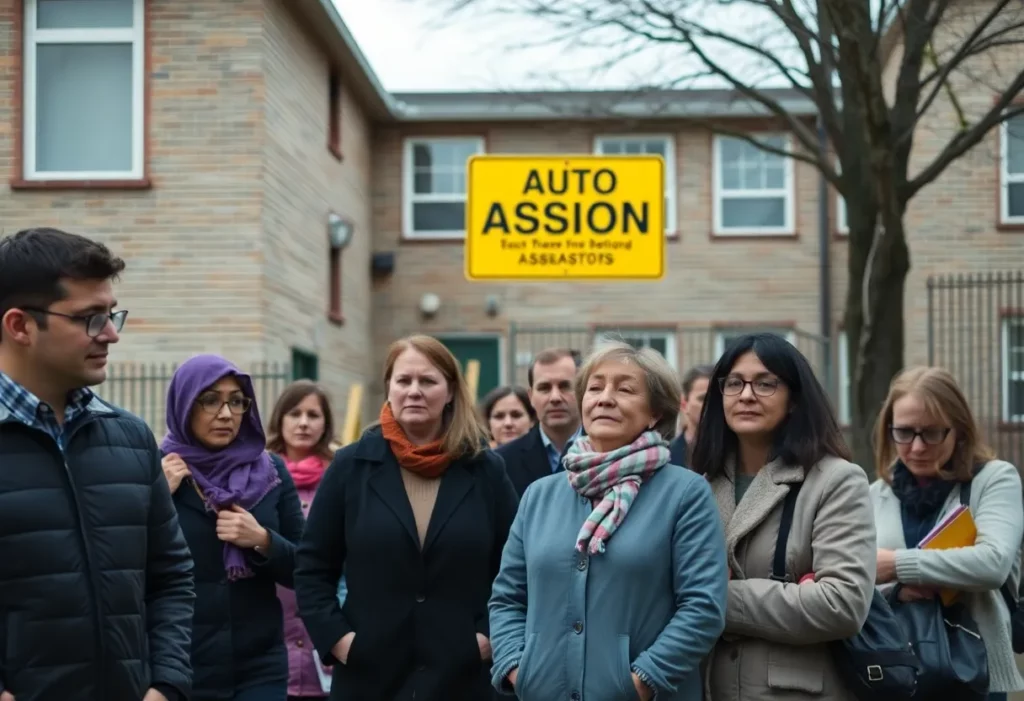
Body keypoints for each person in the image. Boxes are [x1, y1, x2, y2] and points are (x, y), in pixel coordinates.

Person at [0, 227, 194, 701]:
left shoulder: (130, 438)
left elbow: (170, 576)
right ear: (20, 326)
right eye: (89, 318)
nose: (110, 334)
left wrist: (166, 685)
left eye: (111, 315)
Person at [489, 341, 727, 701]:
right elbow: (507, 598)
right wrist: (517, 670)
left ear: (655, 414)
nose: (604, 398)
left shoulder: (684, 493)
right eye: (595, 388)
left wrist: (640, 683)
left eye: (625, 389)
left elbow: (703, 607)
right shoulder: (539, 495)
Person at [295, 334, 520, 701]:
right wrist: (341, 642)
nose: (414, 391)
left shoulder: (486, 470)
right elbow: (312, 567)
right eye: (403, 380)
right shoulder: (350, 466)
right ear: (389, 388)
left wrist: (487, 640)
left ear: (450, 392)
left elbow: (515, 568)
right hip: (370, 678)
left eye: (427, 381)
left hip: (462, 678)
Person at [691, 332, 876, 701]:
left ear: (794, 399)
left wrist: (710, 600)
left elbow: (842, 605)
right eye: (734, 383)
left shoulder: (835, 480)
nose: (746, 395)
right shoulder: (697, 486)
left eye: (765, 383)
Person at [870, 366, 1024, 699]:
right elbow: (850, 580)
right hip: (892, 672)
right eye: (904, 432)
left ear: (960, 429)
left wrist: (894, 565)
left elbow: (992, 563)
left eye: (932, 432)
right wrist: (897, 591)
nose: (918, 446)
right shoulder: (874, 495)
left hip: (974, 675)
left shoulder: (994, 481)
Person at [161, 354, 305, 701]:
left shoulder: (270, 472)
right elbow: (124, 563)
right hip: (182, 665)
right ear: (184, 405)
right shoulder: (155, 472)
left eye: (236, 401)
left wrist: (263, 541)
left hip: (259, 666)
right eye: (210, 400)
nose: (226, 414)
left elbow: (307, 567)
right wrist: (157, 498)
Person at [266, 381, 338, 701]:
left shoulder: (342, 475)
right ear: (280, 419)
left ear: (326, 424)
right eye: (295, 413)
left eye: (313, 414)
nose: (304, 422)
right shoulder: (257, 474)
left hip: (327, 630)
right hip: (269, 634)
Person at [496, 348, 582, 495]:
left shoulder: (609, 452)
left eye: (565, 386)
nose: (555, 397)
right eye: (544, 388)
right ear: (531, 397)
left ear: (582, 390)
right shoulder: (503, 462)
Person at [668, 364, 711, 467]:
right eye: (703, 399)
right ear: (684, 404)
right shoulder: (667, 457)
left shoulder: (738, 454)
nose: (712, 405)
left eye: (718, 398)